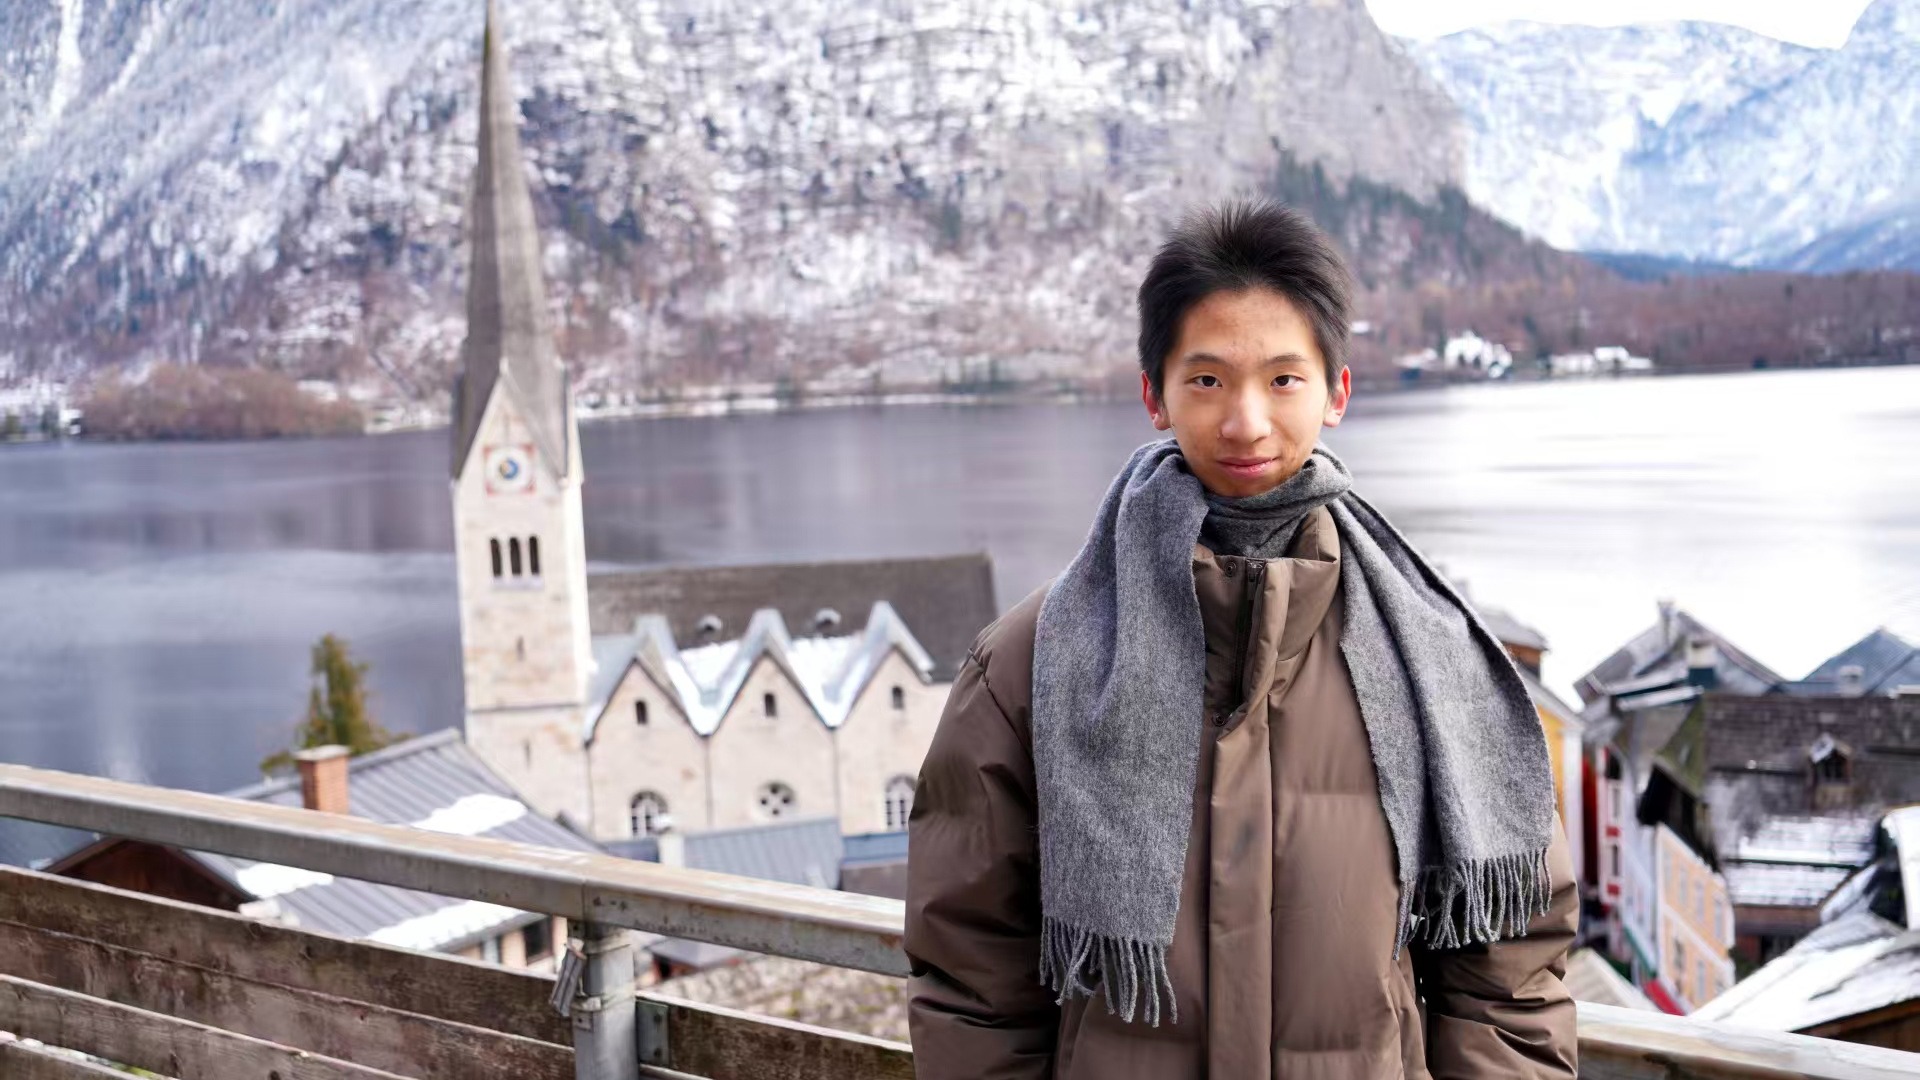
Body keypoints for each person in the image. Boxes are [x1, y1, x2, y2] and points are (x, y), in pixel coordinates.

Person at [904, 200, 1579, 1079]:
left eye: (1284, 379)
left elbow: (1510, 977)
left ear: (1337, 392)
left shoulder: (1434, 655)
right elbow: (971, 982)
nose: (1247, 421)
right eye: (1208, 380)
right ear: (1155, 396)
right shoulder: (1031, 664)